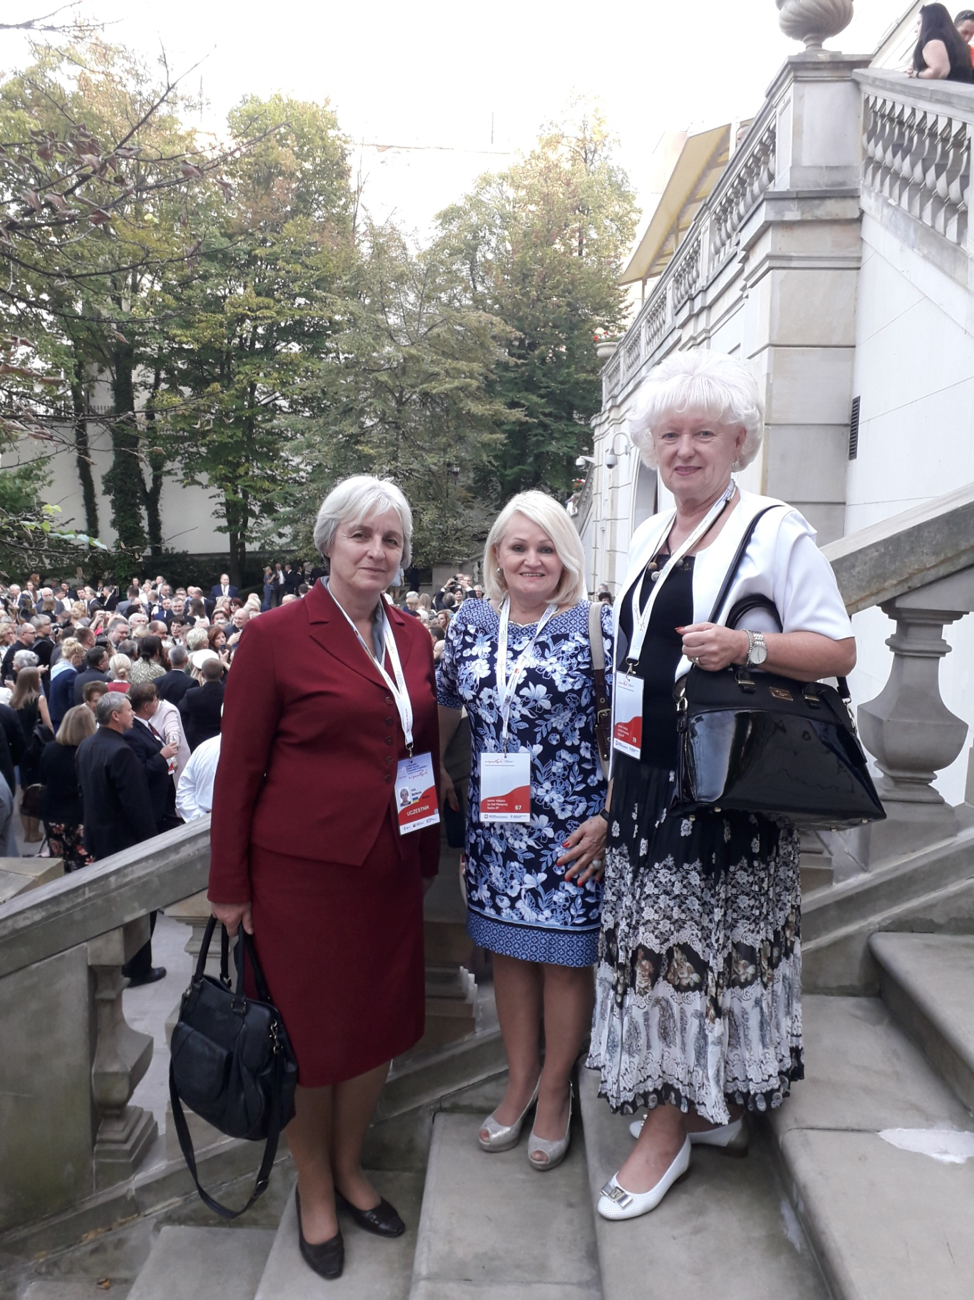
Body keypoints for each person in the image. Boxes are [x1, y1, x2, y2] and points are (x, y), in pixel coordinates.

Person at [586, 351, 855, 1223]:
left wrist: (748, 648)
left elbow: (838, 649)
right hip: (645, 781)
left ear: (739, 442)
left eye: (705, 432)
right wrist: (614, 785)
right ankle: (703, 1102)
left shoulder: (775, 529)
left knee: (688, 957)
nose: (685, 449)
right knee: (661, 953)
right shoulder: (647, 536)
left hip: (722, 788)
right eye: (670, 434)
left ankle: (665, 1132)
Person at [208, 475, 440, 1282]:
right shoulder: (275, 634)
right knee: (305, 1039)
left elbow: (418, 745)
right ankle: (312, 1184)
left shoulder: (411, 634)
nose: (377, 551)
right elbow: (238, 770)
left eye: (391, 539)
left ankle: (348, 1166)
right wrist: (229, 885)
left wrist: (425, 848)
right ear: (330, 541)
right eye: (361, 536)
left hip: (389, 870)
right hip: (300, 880)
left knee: (374, 1028)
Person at [437, 490, 612, 1171]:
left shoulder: (595, 625)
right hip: (495, 827)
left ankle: (554, 1092)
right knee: (508, 957)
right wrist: (434, 765)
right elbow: (447, 699)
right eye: (519, 547)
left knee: (564, 962)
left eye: (546, 547)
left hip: (572, 829)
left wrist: (610, 814)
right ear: (497, 555)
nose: (532, 560)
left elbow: (634, 730)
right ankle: (520, 1081)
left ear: (565, 555)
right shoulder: (474, 620)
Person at [76, 692, 164, 985]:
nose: (132, 715)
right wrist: (152, 843)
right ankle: (138, 968)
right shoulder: (121, 752)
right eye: (128, 710)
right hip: (125, 842)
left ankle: (124, 962)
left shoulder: (87, 745)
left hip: (99, 838)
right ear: (115, 716)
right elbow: (137, 804)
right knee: (140, 906)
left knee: (115, 906)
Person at [40, 705, 96, 871]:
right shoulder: (87, 754)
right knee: (85, 867)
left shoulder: (50, 749)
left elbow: (43, 778)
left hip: (53, 814)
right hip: (80, 816)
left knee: (59, 865)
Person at [126, 682, 179, 832]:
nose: (158, 703)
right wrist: (162, 756)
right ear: (146, 706)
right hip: (155, 804)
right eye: (155, 700)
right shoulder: (132, 734)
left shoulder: (145, 725)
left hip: (164, 797)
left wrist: (168, 762)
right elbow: (140, 770)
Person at [11, 666, 52, 843]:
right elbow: (48, 725)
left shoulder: (14, 701)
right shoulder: (39, 699)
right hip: (37, 748)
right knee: (37, 788)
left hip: (21, 748)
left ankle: (27, 832)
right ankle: (34, 832)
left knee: (24, 789)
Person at [910, 3, 974, 79]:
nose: (968, 38)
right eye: (964, 32)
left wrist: (916, 74)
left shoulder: (933, 38)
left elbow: (939, 72)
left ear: (927, 22)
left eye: (919, 23)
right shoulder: (958, 46)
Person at [179, 657, 225, 750]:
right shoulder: (229, 693)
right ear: (222, 674)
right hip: (223, 741)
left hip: (198, 742)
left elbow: (181, 713)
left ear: (202, 674)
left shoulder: (192, 694)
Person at [176, 733, 221, 821]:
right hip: (207, 818)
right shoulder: (204, 748)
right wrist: (201, 818)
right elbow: (184, 790)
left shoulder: (204, 747)